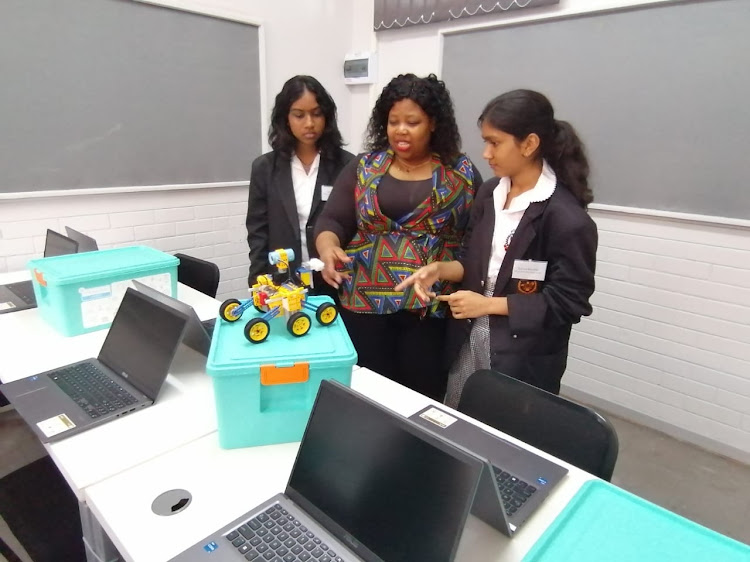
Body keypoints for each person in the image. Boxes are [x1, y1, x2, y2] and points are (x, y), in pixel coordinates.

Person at [396, 89, 597, 406]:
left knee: (505, 435)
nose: (486, 153)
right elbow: (471, 259)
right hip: (466, 336)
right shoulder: (490, 194)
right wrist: (440, 269)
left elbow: (569, 302)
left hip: (522, 354)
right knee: (460, 417)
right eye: (485, 142)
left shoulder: (566, 219)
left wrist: (488, 306)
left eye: (495, 142)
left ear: (529, 144)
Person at [315, 73, 481, 400]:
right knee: (366, 393)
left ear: (433, 123)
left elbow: (475, 238)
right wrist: (328, 247)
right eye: (393, 122)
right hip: (363, 302)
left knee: (421, 395)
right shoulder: (365, 167)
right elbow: (332, 219)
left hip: (427, 307)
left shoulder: (460, 172)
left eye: (412, 122)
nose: (401, 130)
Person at [246, 75, 354, 297]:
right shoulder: (265, 168)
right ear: (285, 118)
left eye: (316, 114)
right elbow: (258, 232)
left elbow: (354, 226)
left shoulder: (347, 165)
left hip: (335, 280)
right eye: (299, 115)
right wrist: (258, 282)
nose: (309, 124)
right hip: (283, 281)